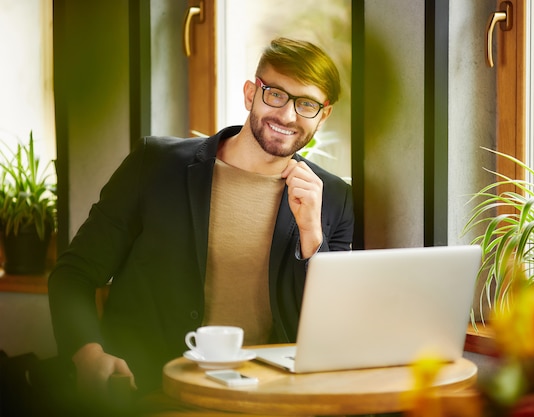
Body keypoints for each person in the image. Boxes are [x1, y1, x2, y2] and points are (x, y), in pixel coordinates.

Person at [47, 37, 354, 409]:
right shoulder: (155, 163)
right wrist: (87, 352)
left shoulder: (333, 198)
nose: (287, 116)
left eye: (306, 104)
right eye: (275, 94)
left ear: (323, 115)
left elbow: (332, 331)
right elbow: (74, 273)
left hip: (271, 401)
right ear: (249, 94)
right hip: (150, 393)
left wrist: (311, 238)